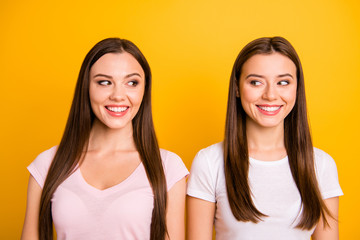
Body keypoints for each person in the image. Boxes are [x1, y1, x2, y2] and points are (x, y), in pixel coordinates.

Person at [21, 38, 189, 240]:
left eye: (131, 83)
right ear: (87, 87)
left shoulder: (168, 168)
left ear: (144, 90)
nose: (118, 95)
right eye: (104, 82)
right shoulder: (47, 164)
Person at [186, 37, 343, 240]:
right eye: (256, 82)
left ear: (297, 88)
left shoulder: (321, 165)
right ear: (236, 87)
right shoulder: (209, 162)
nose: (270, 95)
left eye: (283, 82)